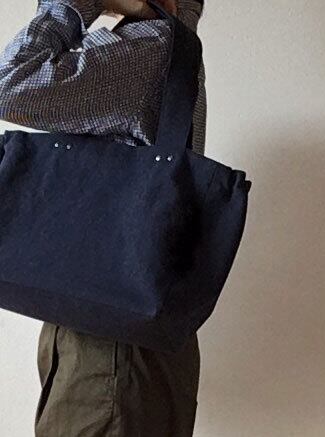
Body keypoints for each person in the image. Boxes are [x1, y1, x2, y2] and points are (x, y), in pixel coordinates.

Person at [0, 0, 206, 435]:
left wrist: (67, 6)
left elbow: (9, 84)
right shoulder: (167, 48)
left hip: (109, 354)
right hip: (130, 333)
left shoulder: (146, 48)